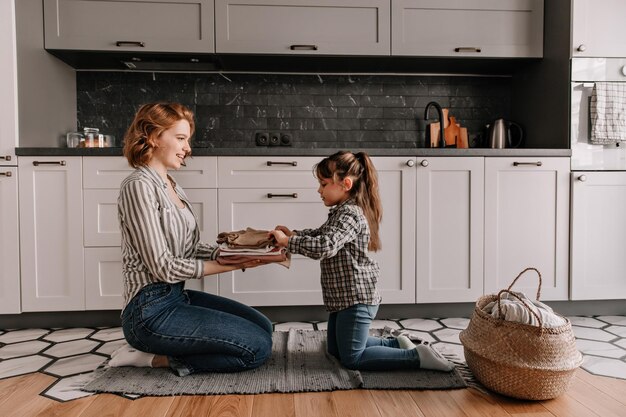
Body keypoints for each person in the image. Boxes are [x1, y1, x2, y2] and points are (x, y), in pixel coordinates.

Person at [111, 102, 273, 376]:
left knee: (263, 327)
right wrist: (232, 265)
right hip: (149, 312)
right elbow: (163, 267)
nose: (188, 148)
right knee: (257, 348)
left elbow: (189, 248)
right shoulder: (137, 186)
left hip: (175, 296)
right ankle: (151, 358)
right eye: (181, 138)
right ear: (152, 135)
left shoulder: (172, 185)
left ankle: (175, 345)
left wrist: (239, 251)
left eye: (188, 140)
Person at [269, 151, 454, 372]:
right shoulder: (340, 212)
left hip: (357, 298)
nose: (319, 190)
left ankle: (416, 357)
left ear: (345, 184)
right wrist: (293, 235)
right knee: (336, 350)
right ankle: (396, 343)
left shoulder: (350, 215)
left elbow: (325, 246)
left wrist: (290, 242)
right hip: (343, 298)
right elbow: (320, 234)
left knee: (352, 359)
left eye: (324, 183)